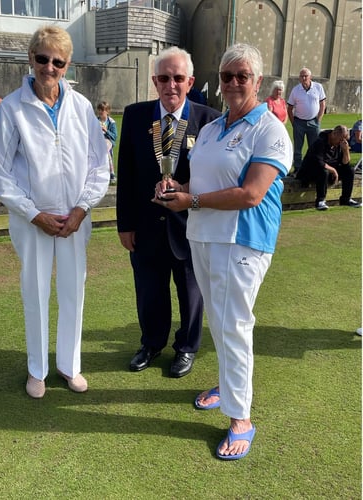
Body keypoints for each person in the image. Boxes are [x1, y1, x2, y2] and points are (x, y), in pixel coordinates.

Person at [154, 43, 292, 460]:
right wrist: (177, 189)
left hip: (243, 240)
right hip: (204, 235)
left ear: (258, 82)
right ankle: (228, 387)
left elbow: (250, 194)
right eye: (227, 76)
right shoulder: (213, 127)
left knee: (234, 325)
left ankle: (241, 419)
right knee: (219, 321)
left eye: (242, 76)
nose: (233, 83)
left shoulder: (270, 129)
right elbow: (206, 184)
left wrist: (191, 202)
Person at [0, 26, 110, 398]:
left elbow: (99, 164)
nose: (49, 67)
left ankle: (70, 366)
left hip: (74, 219)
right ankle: (37, 369)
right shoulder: (12, 107)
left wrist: (82, 207)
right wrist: (32, 213)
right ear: (31, 58)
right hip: (32, 220)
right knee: (35, 291)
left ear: (67, 65)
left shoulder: (82, 106)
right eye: (43, 59)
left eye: (58, 61)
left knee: (74, 290)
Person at [116, 46, 220, 378]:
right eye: (164, 78)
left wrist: (185, 187)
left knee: (191, 293)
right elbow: (127, 175)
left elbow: (216, 176)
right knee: (149, 290)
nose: (170, 85)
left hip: (192, 225)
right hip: (146, 225)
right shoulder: (134, 115)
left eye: (178, 78)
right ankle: (151, 343)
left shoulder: (209, 120)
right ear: (154, 81)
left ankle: (187, 347)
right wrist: (124, 224)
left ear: (189, 82)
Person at [295, 125, 361, 210]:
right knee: (324, 171)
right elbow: (318, 162)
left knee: (349, 170)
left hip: (329, 173)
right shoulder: (320, 142)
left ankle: (346, 199)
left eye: (344, 140)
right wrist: (333, 170)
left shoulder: (340, 144)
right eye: (340, 139)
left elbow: (345, 163)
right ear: (333, 134)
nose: (342, 142)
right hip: (311, 172)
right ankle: (320, 201)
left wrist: (346, 150)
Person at [287, 68, 326, 171]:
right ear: (299, 78)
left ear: (310, 77)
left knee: (314, 147)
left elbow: (322, 104)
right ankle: (298, 168)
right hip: (299, 122)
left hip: (314, 121)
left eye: (306, 76)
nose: (304, 78)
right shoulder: (295, 90)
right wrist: (293, 123)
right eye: (301, 76)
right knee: (298, 148)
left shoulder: (318, 87)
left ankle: (313, 167)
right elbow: (290, 108)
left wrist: (319, 118)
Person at [96, 101, 118, 183]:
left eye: (103, 110)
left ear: (107, 111)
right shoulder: (95, 120)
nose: (101, 112)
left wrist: (106, 130)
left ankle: (111, 173)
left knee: (105, 150)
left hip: (108, 141)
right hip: (97, 141)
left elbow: (114, 136)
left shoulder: (111, 122)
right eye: (99, 110)